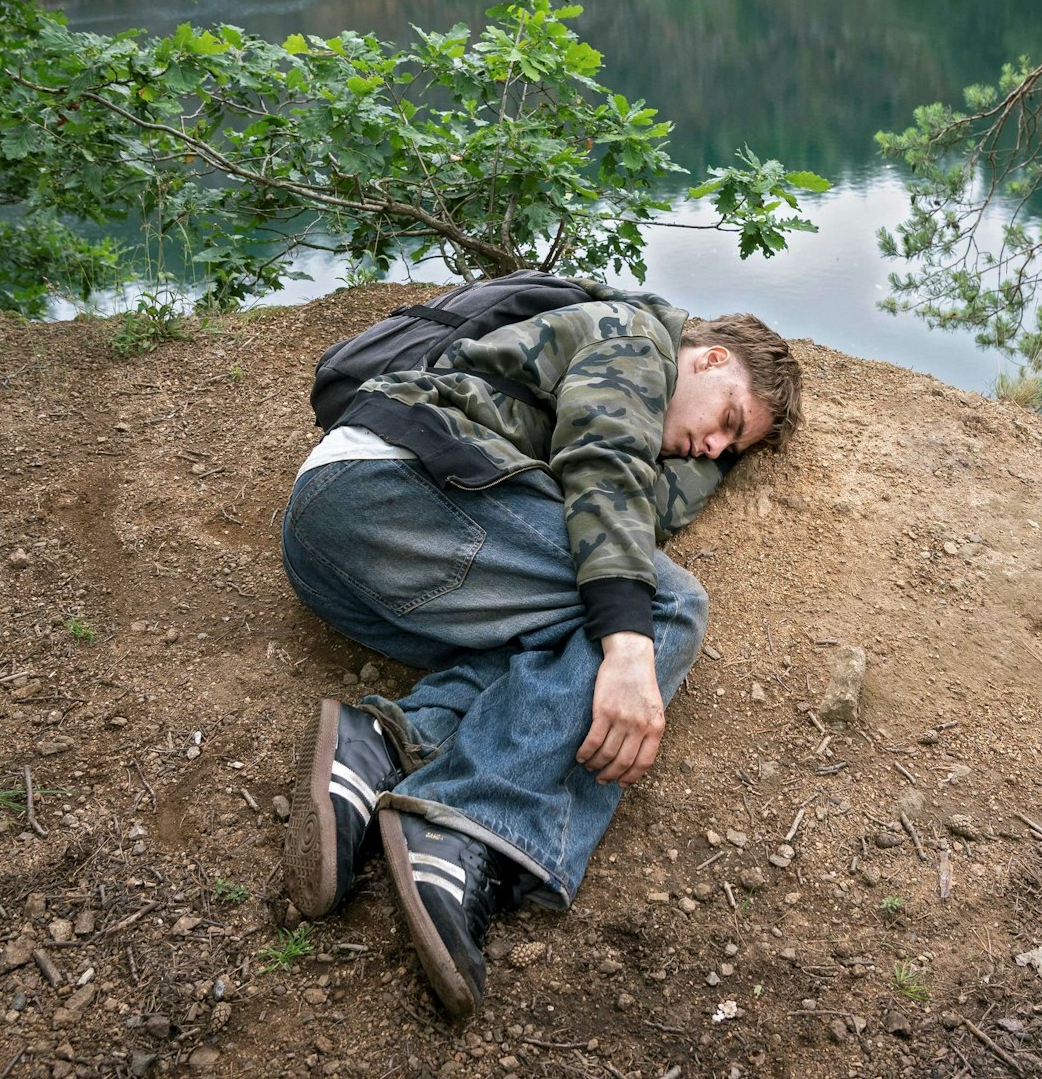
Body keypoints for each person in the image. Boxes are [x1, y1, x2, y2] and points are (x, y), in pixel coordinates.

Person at [278, 277, 802, 1018]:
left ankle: (384, 744)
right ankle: (473, 822)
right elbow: (605, 471)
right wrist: (630, 649)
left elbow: (643, 501)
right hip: (395, 486)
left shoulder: (645, 389)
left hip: (335, 552)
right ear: (711, 358)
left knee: (564, 631)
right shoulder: (636, 340)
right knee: (663, 606)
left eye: (730, 450)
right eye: (727, 419)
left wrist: (701, 457)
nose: (715, 446)